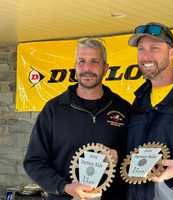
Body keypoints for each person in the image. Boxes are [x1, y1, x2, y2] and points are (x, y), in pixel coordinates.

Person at [23, 38, 130, 200]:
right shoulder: (54, 109)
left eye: (94, 61)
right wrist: (64, 187)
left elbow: (135, 156)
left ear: (105, 68)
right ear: (75, 67)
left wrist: (119, 156)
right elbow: (34, 161)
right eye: (81, 61)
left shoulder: (123, 108)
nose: (87, 68)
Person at [127, 22, 173, 200]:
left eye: (155, 48)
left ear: (172, 52)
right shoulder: (139, 100)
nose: (146, 56)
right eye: (141, 49)